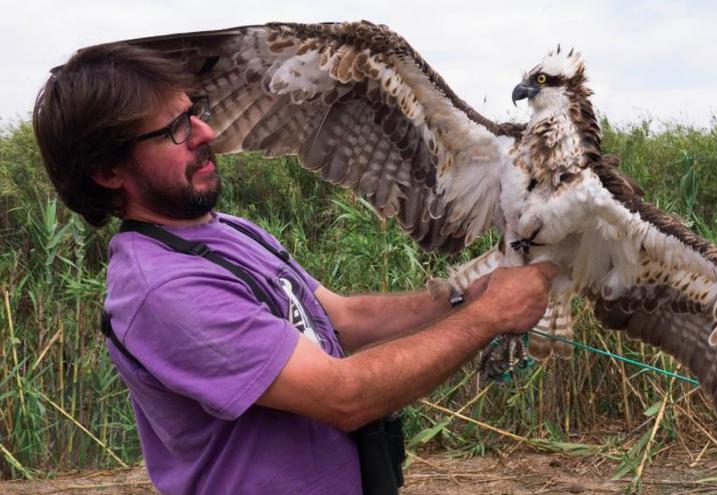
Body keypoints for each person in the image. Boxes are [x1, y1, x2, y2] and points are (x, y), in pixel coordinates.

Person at [32, 43, 557, 494]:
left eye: (195, 110)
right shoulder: (164, 290)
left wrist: (464, 296)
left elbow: (340, 320)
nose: (205, 131)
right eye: (174, 129)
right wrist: (488, 316)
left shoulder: (225, 231)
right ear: (108, 172)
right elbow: (344, 395)